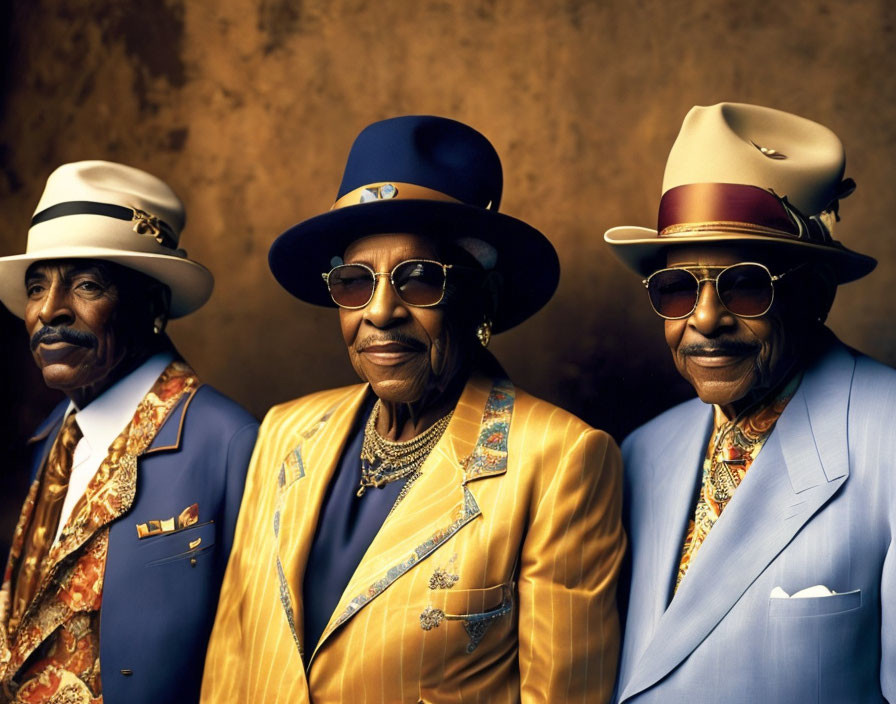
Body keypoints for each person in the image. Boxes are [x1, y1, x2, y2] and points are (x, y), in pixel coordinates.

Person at [202, 115, 625, 703]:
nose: (379, 311)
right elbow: (234, 659)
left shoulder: (561, 459)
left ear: (485, 297)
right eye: (353, 281)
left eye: (419, 279)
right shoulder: (283, 430)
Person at [604, 103, 894, 703]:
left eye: (745, 283)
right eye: (678, 288)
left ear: (814, 294)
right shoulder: (640, 452)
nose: (705, 319)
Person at [0, 161, 258, 704]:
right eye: (36, 287)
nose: (49, 310)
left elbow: (258, 659)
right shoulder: (51, 440)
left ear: (155, 306)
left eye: (87, 284)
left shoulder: (231, 442)